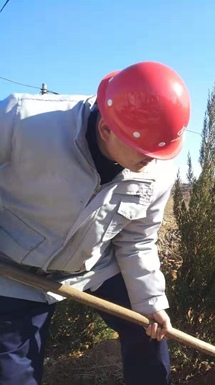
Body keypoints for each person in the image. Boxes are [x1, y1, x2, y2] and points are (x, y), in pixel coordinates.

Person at [0, 61, 190, 385]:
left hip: (94, 266)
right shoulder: (21, 121)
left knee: (150, 336)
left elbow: (138, 240)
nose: (152, 164)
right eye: (144, 154)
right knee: (13, 375)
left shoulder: (158, 166)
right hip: (15, 270)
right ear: (105, 129)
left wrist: (151, 303)